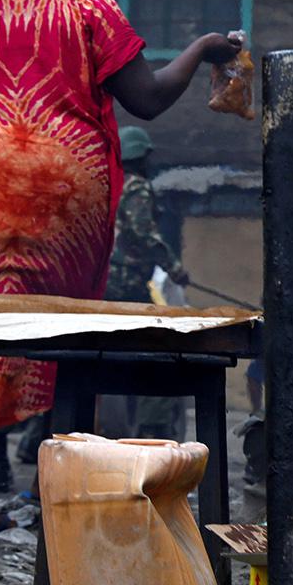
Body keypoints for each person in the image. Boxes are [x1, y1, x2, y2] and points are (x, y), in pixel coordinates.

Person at [0, 0, 240, 535]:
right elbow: (146, 98)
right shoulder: (88, 0)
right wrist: (204, 48)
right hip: (66, 201)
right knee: (67, 334)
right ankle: (60, 500)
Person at [105, 126, 189, 440]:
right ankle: (153, 430)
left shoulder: (108, 184)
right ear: (140, 156)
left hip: (103, 286)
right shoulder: (136, 187)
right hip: (128, 286)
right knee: (158, 353)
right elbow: (143, 234)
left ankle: (38, 436)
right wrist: (175, 267)